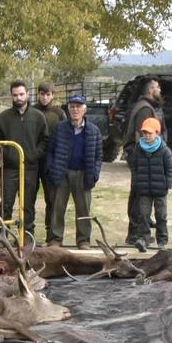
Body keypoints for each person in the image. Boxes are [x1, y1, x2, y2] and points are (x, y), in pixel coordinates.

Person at [0, 80, 48, 243]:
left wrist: (34, 155)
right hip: (9, 169)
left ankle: (26, 236)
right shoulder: (3, 118)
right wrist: (7, 156)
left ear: (27, 94)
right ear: (11, 96)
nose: (18, 98)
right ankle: (2, 236)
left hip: (30, 168)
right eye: (15, 95)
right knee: (6, 204)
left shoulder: (38, 117)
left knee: (28, 204)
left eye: (21, 94)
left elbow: (45, 140)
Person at [44, 94, 102, 247]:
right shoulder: (59, 128)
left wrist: (95, 173)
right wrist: (51, 169)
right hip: (62, 173)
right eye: (72, 107)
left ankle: (83, 240)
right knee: (57, 208)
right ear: (68, 110)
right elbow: (50, 151)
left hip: (84, 174)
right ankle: (55, 239)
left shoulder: (94, 130)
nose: (75, 109)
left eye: (78, 106)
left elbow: (98, 155)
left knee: (83, 210)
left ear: (84, 110)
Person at [125, 117, 172, 251]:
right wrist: (136, 182)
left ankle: (162, 240)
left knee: (161, 215)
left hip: (160, 189)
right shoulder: (138, 148)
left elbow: (170, 169)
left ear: (157, 133)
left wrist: (167, 184)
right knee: (143, 215)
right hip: (143, 189)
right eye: (144, 132)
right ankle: (143, 239)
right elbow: (134, 166)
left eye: (149, 133)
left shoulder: (165, 150)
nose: (146, 135)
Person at [37, 82, 65, 242]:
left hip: (51, 162)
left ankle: (51, 233)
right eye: (42, 94)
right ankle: (27, 232)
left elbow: (64, 137)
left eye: (48, 94)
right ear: (38, 94)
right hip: (33, 161)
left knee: (52, 198)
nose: (45, 97)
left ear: (53, 95)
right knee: (28, 199)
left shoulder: (59, 113)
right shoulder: (31, 111)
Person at [124, 77, 165, 150]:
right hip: (143, 154)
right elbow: (141, 137)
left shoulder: (148, 106)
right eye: (158, 87)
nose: (160, 90)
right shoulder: (145, 109)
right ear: (150, 90)